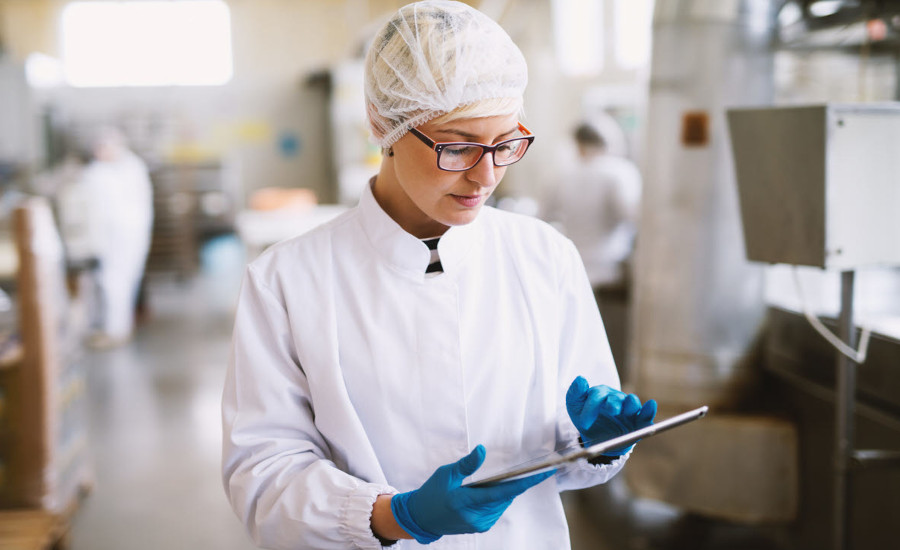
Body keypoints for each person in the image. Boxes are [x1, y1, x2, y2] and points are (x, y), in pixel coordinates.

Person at [221, 2, 656, 549]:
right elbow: (262, 478)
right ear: (383, 125)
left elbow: (566, 457)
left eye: (505, 144)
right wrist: (395, 516)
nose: (486, 173)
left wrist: (599, 444)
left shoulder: (545, 257)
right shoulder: (286, 282)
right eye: (458, 147)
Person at [541, 117, 642, 375]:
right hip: (611, 272)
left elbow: (541, 219)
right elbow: (632, 216)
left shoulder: (563, 175)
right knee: (607, 344)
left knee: (576, 340)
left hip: (573, 269)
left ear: (578, 143)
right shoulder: (619, 172)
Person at [59, 127, 154, 348]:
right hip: (110, 239)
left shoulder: (129, 169)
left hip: (125, 239)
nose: (99, 153)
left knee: (117, 283)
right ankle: (110, 328)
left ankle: (116, 331)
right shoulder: (102, 171)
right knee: (107, 284)